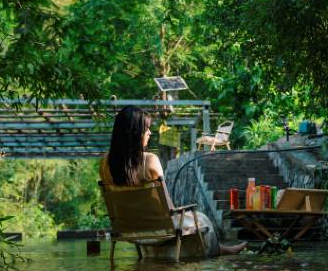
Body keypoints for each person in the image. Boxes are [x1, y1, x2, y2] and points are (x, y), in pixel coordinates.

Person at [99, 105, 247, 256]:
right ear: (135, 132)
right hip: (159, 228)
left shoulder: (105, 163)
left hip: (128, 228)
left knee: (193, 220)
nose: (150, 133)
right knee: (201, 218)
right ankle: (221, 251)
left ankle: (222, 249)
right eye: (146, 128)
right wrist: (178, 212)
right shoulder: (149, 160)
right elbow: (168, 205)